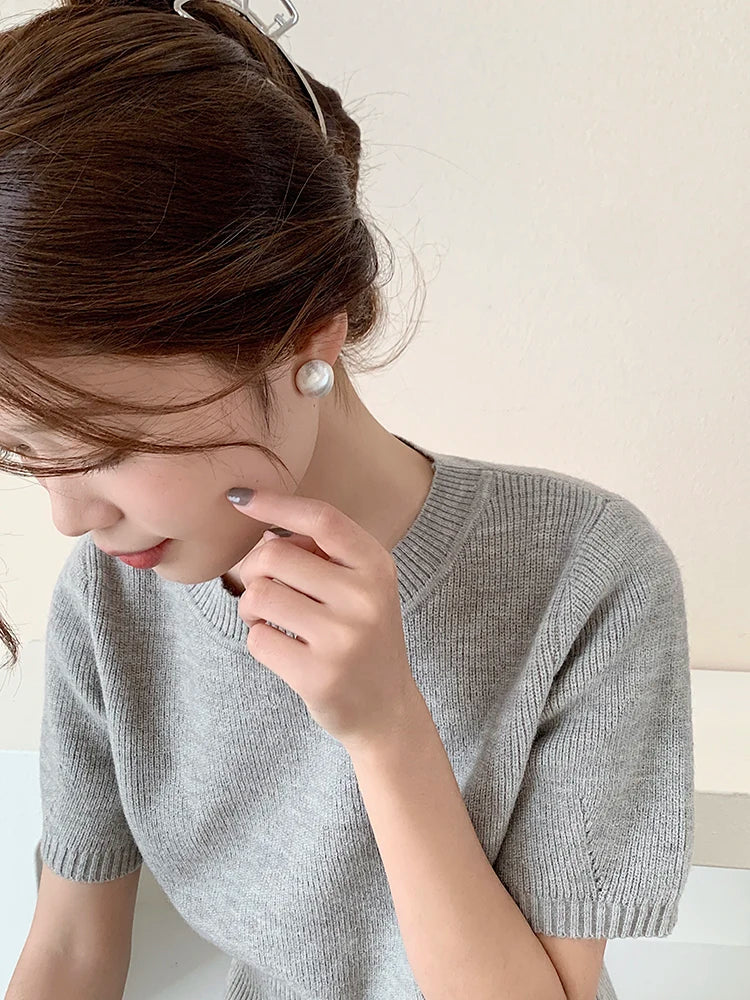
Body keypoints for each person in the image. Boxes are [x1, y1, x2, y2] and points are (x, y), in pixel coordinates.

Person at [0, 3, 694, 1000]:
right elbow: (71, 950)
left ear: (307, 342)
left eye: (104, 446)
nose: (70, 517)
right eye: (24, 455)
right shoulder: (110, 601)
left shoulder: (586, 577)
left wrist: (385, 725)